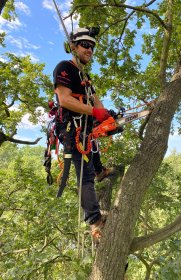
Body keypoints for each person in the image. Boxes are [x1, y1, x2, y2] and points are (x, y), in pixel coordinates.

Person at [53, 27, 112, 239]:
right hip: (70, 129)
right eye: (85, 45)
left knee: (94, 149)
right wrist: (95, 112)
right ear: (73, 47)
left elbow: (97, 102)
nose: (90, 50)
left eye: (92, 46)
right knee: (84, 177)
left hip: (86, 128)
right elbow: (65, 100)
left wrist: (107, 117)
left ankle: (101, 172)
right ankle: (95, 222)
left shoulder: (85, 76)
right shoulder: (65, 68)